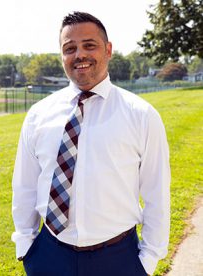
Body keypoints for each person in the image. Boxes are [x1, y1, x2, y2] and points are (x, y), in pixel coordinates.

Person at [12, 11, 170, 276]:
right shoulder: (39, 115)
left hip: (118, 258)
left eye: (89, 45)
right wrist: (27, 247)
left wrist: (148, 259)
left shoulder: (141, 116)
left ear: (108, 50)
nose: (79, 55)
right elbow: (25, 187)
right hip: (50, 255)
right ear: (62, 56)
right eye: (69, 48)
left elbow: (157, 194)